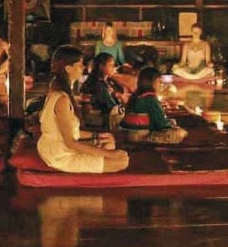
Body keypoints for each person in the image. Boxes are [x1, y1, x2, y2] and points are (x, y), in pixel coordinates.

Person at [36, 45, 128, 174]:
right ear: (68, 68)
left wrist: (98, 136)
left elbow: (71, 132)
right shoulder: (61, 99)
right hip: (59, 154)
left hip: (59, 146)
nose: (83, 68)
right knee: (122, 161)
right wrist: (110, 155)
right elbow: (70, 143)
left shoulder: (60, 93)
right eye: (79, 64)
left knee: (109, 144)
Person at [123, 67, 188, 144]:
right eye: (160, 82)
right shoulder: (150, 99)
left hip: (128, 134)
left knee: (173, 124)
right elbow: (160, 125)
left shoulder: (135, 95)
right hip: (140, 137)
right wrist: (171, 124)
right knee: (180, 133)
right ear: (154, 82)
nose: (161, 85)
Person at [82, 52, 127, 126]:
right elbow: (110, 106)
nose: (114, 68)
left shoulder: (107, 82)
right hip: (102, 122)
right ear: (101, 66)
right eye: (111, 65)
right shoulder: (97, 84)